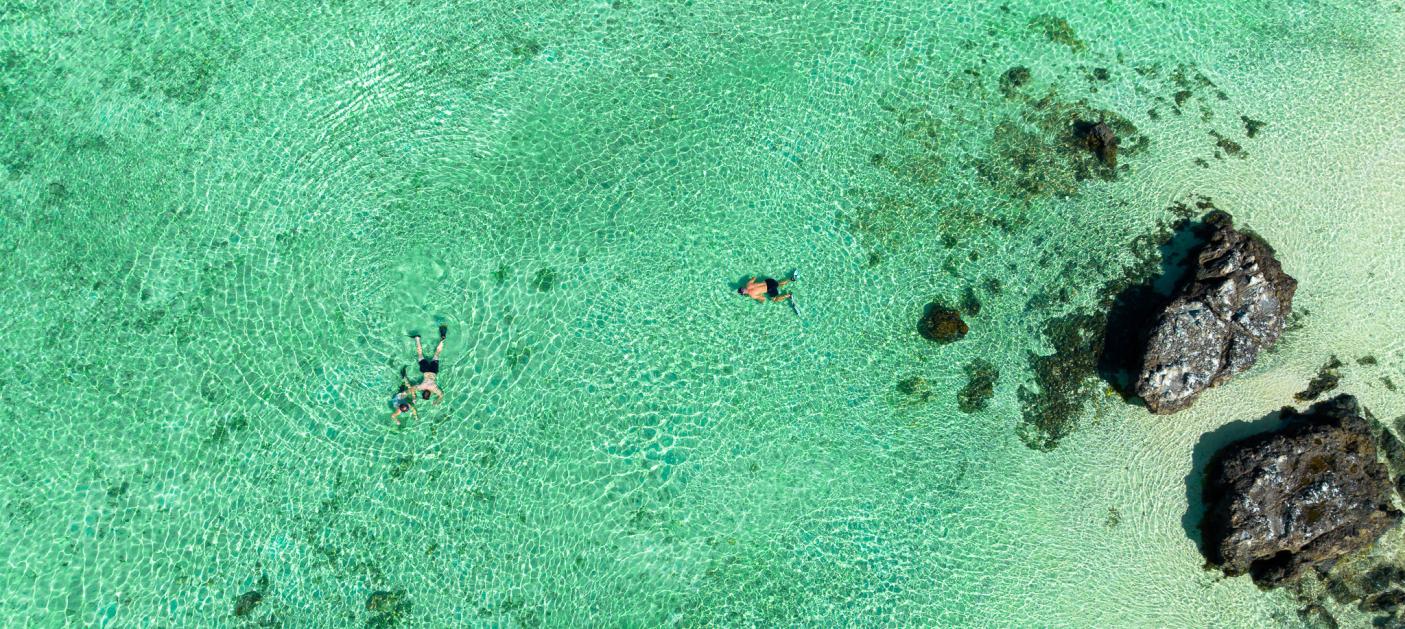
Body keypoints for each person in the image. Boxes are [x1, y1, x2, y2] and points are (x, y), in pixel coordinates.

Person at [410, 324, 447, 404]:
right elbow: (411, 389)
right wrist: (414, 397)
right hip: (425, 370)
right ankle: (417, 339)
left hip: (434, 370)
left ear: (430, 394)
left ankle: (442, 339)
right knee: (420, 354)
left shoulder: (434, 389)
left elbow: (441, 395)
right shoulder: (421, 387)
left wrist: (437, 401)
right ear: (423, 392)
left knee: (437, 353)